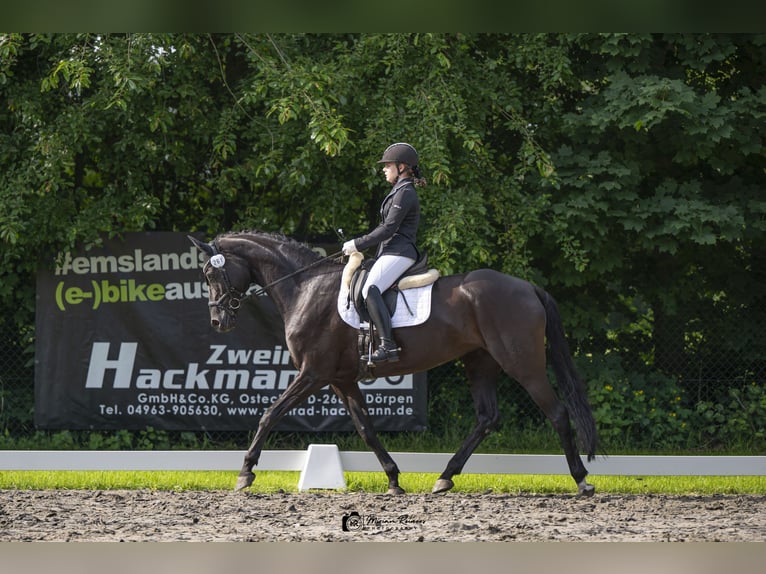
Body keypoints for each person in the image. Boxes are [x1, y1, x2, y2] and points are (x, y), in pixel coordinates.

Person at [342, 142, 427, 363]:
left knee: (370, 289)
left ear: (402, 167)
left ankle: (388, 346)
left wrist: (357, 244)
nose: (383, 169)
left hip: (400, 251)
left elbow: (388, 229)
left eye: (387, 165)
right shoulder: (398, 190)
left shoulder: (405, 192)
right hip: (391, 251)